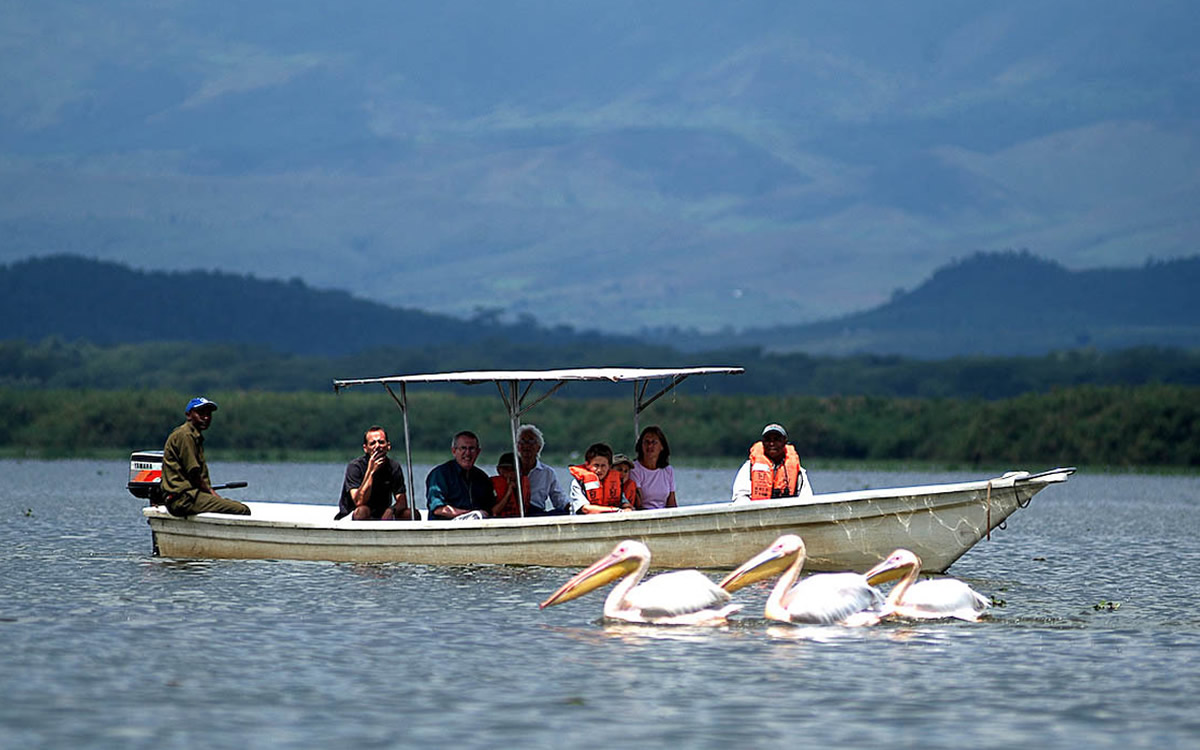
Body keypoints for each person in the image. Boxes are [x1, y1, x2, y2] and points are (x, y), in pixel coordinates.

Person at [160, 397, 251, 517]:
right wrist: (212, 494)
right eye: (201, 413)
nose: (206, 418)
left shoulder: (193, 436)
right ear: (188, 415)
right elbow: (194, 473)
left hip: (188, 496)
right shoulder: (185, 435)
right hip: (183, 499)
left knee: (229, 504)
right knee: (242, 509)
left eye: (208, 414)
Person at [335, 426, 410, 520]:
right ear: (365, 448)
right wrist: (371, 471)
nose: (377, 446)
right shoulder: (355, 467)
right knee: (363, 510)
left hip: (381, 515)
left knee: (410, 513)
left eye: (381, 442)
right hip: (353, 515)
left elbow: (402, 501)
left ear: (388, 446)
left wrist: (392, 510)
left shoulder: (393, 467)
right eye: (372, 443)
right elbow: (359, 501)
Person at [731, 423, 813, 503]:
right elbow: (740, 497)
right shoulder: (749, 467)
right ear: (762, 442)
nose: (772, 444)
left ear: (785, 442)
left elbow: (806, 498)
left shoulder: (798, 472)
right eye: (768, 440)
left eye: (777, 439)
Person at [425, 430, 497, 519]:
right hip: (446, 527)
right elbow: (438, 509)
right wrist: (469, 514)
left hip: (478, 526)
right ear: (454, 451)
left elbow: (491, 508)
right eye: (463, 448)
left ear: (478, 452)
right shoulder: (440, 474)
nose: (467, 453)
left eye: (471, 448)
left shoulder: (482, 477)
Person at [514, 424, 570, 515]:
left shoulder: (548, 473)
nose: (526, 446)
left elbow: (559, 499)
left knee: (560, 513)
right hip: (514, 511)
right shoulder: (511, 469)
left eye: (531, 441)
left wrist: (574, 508)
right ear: (517, 447)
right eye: (522, 442)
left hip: (536, 512)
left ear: (539, 447)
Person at [568, 443, 633, 514]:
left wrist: (627, 508)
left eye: (603, 466)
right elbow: (586, 509)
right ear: (587, 464)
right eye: (596, 465)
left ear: (609, 466)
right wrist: (616, 510)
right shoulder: (578, 483)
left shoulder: (616, 481)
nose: (599, 470)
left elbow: (625, 504)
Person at [630, 425, 676, 509]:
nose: (650, 446)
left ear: (662, 446)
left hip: (664, 515)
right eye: (646, 442)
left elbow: (672, 503)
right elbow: (638, 504)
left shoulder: (668, 470)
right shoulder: (634, 469)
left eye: (654, 442)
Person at [490, 452, 529, 518]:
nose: (509, 473)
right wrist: (509, 492)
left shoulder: (523, 484)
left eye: (513, 470)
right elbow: (494, 511)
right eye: (505, 469)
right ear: (498, 470)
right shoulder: (490, 485)